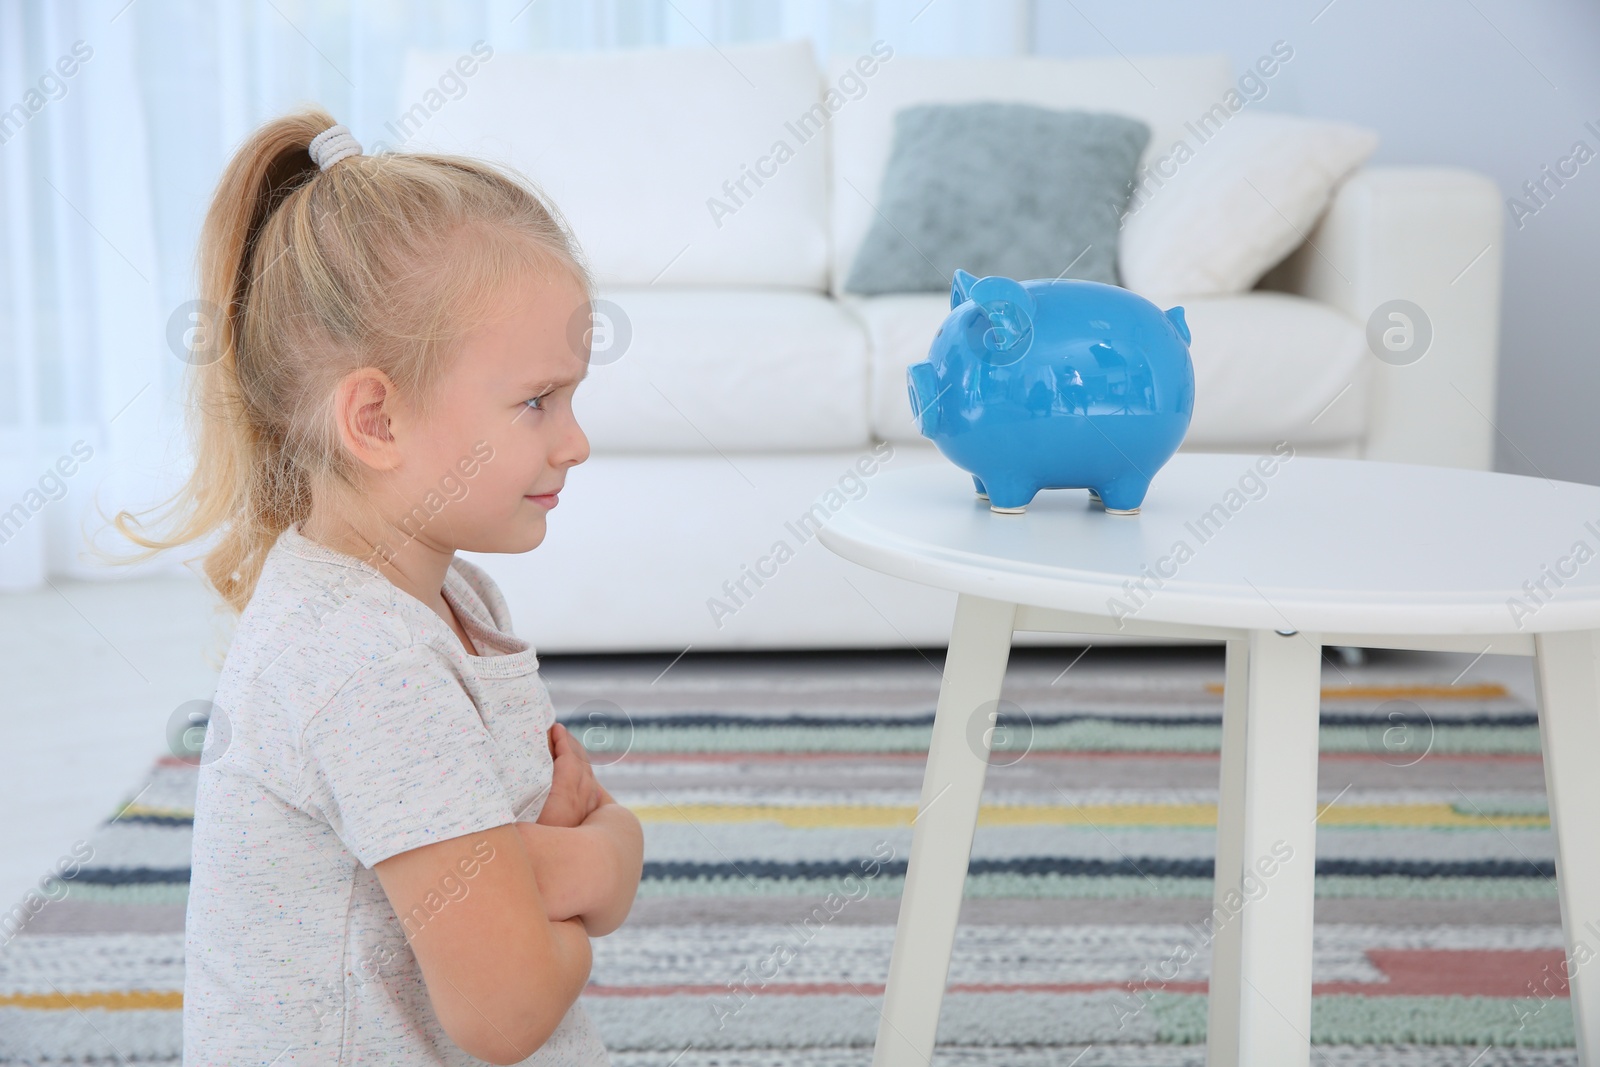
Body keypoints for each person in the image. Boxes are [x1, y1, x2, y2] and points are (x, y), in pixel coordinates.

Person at [110, 108, 640, 1065]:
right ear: (377, 420)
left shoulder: (450, 599)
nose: (576, 439)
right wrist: (607, 854)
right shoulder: (368, 666)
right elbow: (508, 1009)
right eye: (536, 401)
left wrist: (528, 876)